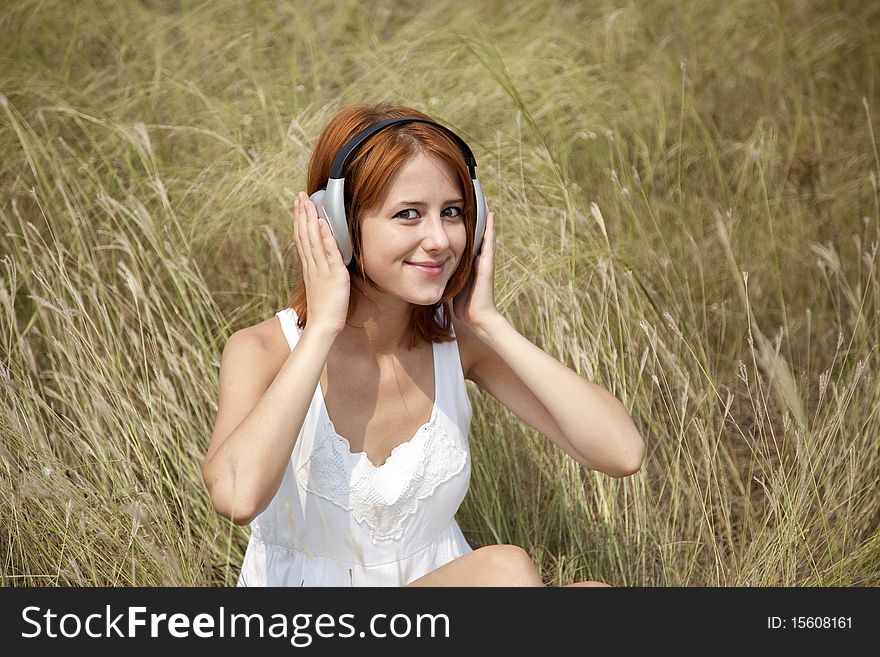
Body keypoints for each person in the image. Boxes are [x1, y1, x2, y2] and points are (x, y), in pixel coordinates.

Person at [201, 103, 644, 587]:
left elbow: (621, 454)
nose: (438, 239)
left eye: (452, 212)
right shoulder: (263, 350)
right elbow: (237, 497)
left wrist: (490, 322)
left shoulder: (461, 342)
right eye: (408, 214)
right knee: (505, 572)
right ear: (338, 225)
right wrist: (324, 326)